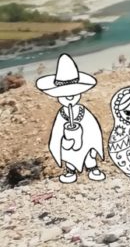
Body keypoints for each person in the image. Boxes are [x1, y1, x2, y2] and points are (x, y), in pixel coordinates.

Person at [35, 53, 106, 183]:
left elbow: (93, 128)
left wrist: (92, 142)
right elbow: (56, 133)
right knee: (68, 156)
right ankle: (70, 170)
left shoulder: (83, 112)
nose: (69, 97)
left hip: (85, 143)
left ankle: (92, 168)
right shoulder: (61, 115)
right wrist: (60, 143)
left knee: (88, 155)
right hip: (68, 146)